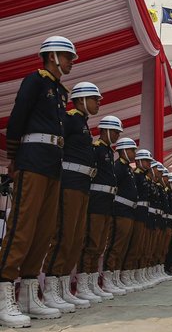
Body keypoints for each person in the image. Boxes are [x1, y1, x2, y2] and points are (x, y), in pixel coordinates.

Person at [0, 36, 76, 327]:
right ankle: (4, 288)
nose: (71, 62)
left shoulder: (59, 91)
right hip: (32, 160)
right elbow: (17, 119)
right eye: (68, 56)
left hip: (52, 164)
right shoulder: (35, 81)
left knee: (43, 231)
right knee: (22, 226)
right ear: (52, 56)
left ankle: (29, 294)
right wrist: (14, 158)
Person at [43, 82, 103, 310]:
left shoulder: (83, 124)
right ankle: (50, 288)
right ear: (80, 100)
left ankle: (63, 286)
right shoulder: (69, 119)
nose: (98, 103)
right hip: (68, 183)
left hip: (82, 185)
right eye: (94, 98)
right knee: (64, 235)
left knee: (76, 239)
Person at [78, 116, 128, 297]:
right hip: (96, 202)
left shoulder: (107, 151)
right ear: (105, 130)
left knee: (99, 246)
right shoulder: (97, 149)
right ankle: (83, 283)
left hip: (106, 203)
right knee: (91, 243)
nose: (117, 135)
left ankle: (91, 283)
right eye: (115, 132)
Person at [103, 138, 139, 291]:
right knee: (115, 245)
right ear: (123, 150)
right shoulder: (118, 167)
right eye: (132, 150)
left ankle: (116, 276)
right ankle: (108, 277)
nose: (134, 153)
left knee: (123, 246)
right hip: (120, 210)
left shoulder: (127, 169)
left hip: (128, 211)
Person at [123, 149, 154, 289]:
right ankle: (124, 275)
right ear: (140, 161)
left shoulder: (142, 176)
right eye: (146, 161)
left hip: (143, 214)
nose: (148, 164)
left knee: (141, 247)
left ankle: (135, 274)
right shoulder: (135, 175)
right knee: (131, 245)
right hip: (133, 212)